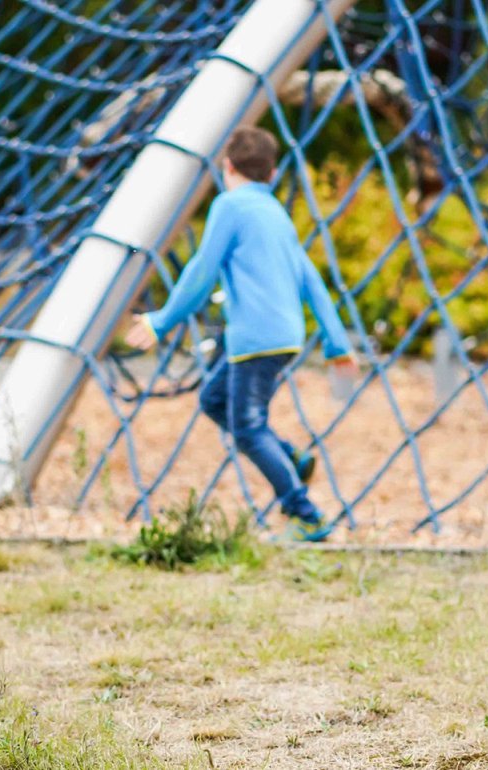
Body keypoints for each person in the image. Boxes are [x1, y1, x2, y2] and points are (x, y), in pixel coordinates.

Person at [124, 126, 356, 542]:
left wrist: (161, 321)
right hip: (282, 335)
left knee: (248, 428)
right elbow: (311, 281)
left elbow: (200, 271)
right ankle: (291, 458)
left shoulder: (230, 206)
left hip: (256, 338)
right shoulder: (276, 214)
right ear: (271, 174)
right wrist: (337, 344)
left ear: (227, 167)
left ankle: (305, 515)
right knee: (214, 399)